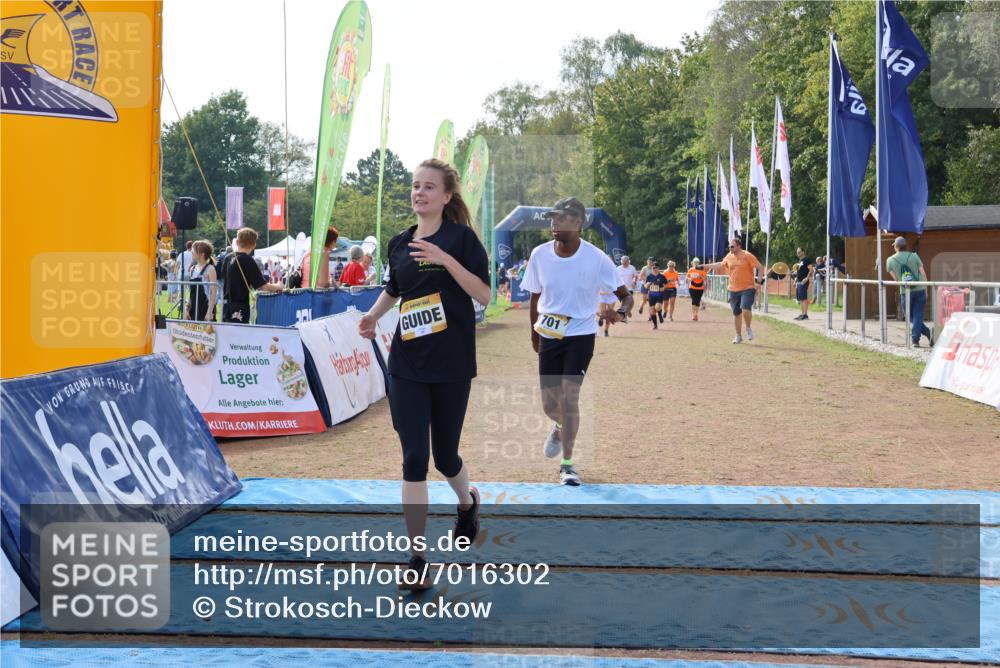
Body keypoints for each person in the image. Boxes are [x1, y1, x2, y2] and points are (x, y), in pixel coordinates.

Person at [358, 158, 489, 589]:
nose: (420, 193)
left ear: (446, 196)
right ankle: (417, 558)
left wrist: (444, 259)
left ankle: (467, 502)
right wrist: (373, 316)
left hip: (451, 364)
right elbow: (395, 288)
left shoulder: (462, 239)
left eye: (429, 187)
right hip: (407, 364)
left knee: (445, 456)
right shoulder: (399, 242)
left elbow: (484, 294)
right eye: (416, 186)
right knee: (414, 459)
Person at [520, 196, 632, 487]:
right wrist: (534, 333)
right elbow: (534, 296)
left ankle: (567, 465)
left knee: (570, 398)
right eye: (553, 219)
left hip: (581, 335)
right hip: (549, 333)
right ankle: (559, 426)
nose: (554, 225)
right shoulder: (539, 255)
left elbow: (627, 297)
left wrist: (618, 314)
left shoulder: (596, 258)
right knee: (549, 403)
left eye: (562, 219)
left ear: (579, 223)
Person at [703, 237, 765, 344]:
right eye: (729, 246)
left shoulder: (747, 255)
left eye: (732, 246)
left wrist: (759, 283)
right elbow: (720, 264)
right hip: (733, 289)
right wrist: (705, 266)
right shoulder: (729, 256)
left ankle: (748, 328)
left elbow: (760, 267)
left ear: (738, 246)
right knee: (736, 313)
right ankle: (738, 336)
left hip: (748, 287)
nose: (730, 248)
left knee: (745, 308)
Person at [222, 227, 283, 323]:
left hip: (225, 306)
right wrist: (279, 286)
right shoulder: (248, 260)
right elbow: (263, 286)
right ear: (254, 245)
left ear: (237, 242)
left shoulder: (227, 258)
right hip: (239, 306)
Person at [886, 236, 932, 347]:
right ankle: (927, 332)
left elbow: (896, 279)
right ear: (905, 246)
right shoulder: (914, 256)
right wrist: (926, 288)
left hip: (905, 290)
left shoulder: (890, 260)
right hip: (920, 288)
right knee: (918, 314)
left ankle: (915, 339)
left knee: (909, 315)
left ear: (896, 247)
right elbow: (923, 273)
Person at [185, 240, 218, 322]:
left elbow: (214, 293)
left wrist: (209, 312)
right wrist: (187, 308)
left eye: (193, 251)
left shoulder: (210, 269)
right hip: (193, 308)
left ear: (202, 254)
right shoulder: (192, 269)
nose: (191, 253)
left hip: (205, 308)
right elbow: (191, 292)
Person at [793, 248, 814, 320]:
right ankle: (802, 314)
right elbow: (798, 272)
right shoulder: (799, 261)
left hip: (803, 281)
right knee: (800, 298)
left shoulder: (807, 260)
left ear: (803, 252)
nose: (798, 253)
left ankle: (805, 314)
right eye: (797, 252)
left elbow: (811, 270)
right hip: (799, 281)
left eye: (799, 252)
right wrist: (795, 281)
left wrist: (806, 278)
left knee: (804, 298)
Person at [644, 263, 667, 329]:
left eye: (655, 268)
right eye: (653, 268)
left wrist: (663, 288)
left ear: (658, 268)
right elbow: (645, 285)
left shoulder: (662, 276)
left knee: (657, 307)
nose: (654, 269)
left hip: (659, 294)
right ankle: (655, 325)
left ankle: (659, 314)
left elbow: (666, 285)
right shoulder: (649, 276)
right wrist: (647, 285)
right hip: (651, 295)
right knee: (652, 311)